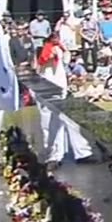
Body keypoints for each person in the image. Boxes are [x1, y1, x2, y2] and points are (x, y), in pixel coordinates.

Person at [36, 34, 95, 169]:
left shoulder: (60, 49)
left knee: (70, 121)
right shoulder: (44, 49)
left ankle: (83, 152)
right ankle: (54, 155)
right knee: (50, 124)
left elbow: (65, 60)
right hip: (47, 90)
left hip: (60, 89)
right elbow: (42, 61)